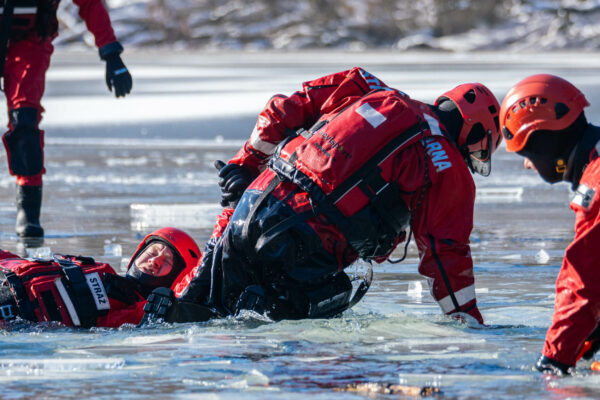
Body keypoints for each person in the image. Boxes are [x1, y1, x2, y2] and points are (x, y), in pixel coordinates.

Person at [144, 67, 502, 324]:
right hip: (308, 247)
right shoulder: (448, 165)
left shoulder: (367, 88)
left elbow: (284, 108)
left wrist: (246, 163)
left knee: (191, 313)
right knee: (290, 314)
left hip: (252, 206)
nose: (476, 158)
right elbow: (445, 253)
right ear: (474, 129)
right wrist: (467, 321)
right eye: (483, 148)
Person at [0, 0, 133, 238]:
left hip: (29, 40)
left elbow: (90, 4)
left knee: (24, 119)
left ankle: (28, 212)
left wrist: (110, 52)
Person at [499, 74, 600, 375]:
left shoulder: (595, 184)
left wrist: (553, 362)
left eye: (527, 155)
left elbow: (582, 281)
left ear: (543, 143)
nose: (527, 165)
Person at [0, 227, 201, 328]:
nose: (156, 260)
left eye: (167, 261)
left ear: (176, 279)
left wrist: (229, 207)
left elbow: (205, 271)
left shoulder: (138, 312)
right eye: (154, 251)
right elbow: (17, 264)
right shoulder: (98, 269)